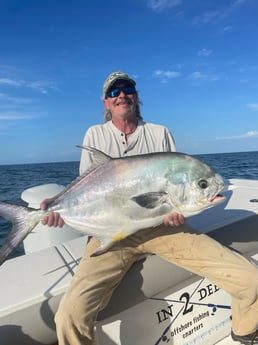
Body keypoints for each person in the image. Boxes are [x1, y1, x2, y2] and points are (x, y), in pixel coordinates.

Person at [41, 71, 258, 345]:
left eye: (127, 89)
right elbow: (87, 189)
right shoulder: (95, 134)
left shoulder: (159, 132)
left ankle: (245, 332)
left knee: (251, 278)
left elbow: (171, 191)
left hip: (164, 228)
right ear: (106, 103)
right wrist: (58, 208)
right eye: (113, 92)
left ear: (136, 97)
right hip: (110, 235)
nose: (121, 95)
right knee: (68, 317)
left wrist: (178, 209)